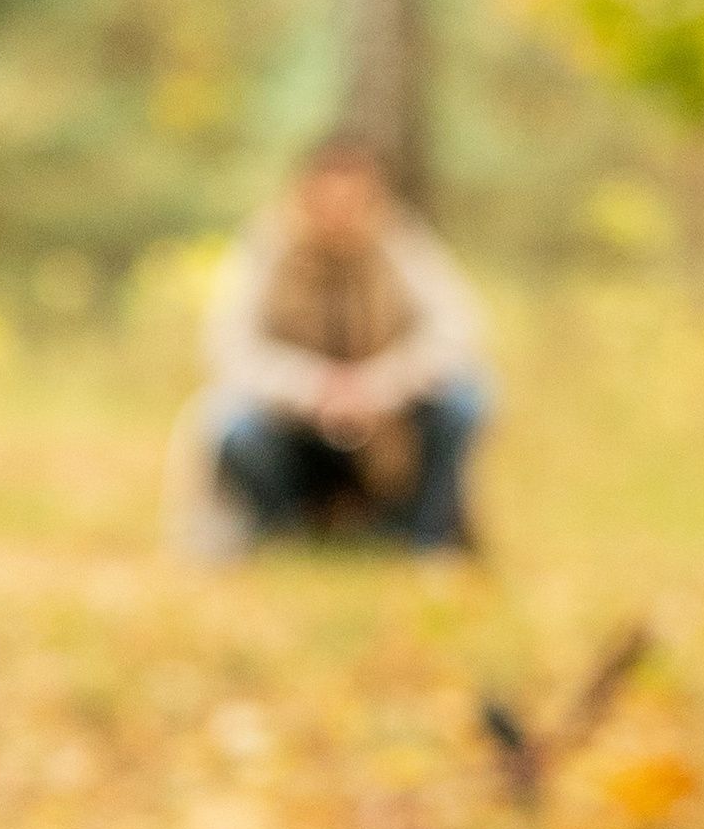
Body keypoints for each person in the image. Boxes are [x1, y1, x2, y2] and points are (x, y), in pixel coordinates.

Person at [172, 132, 489, 557]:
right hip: (293, 428)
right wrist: (312, 386)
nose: (340, 214)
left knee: (467, 399)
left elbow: (458, 331)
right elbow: (227, 347)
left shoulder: (401, 243)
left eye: (354, 200)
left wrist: (377, 386)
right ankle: (285, 534)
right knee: (230, 425)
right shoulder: (268, 246)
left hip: (389, 428)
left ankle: (427, 541)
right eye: (328, 200)